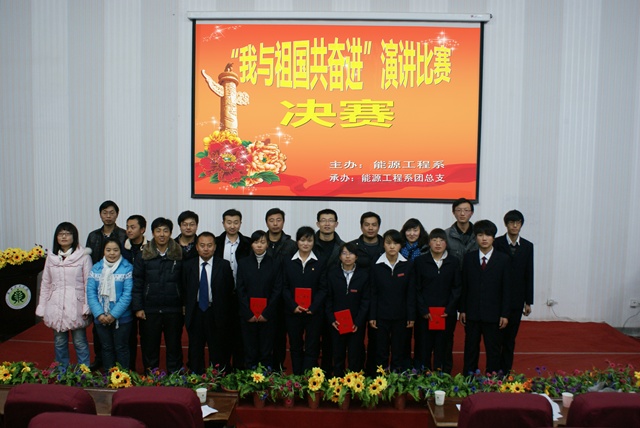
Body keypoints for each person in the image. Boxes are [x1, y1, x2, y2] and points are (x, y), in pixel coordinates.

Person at [132, 217, 184, 373]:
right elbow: (137, 282)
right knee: (149, 346)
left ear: (171, 233)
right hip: (150, 309)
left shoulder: (179, 254)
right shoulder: (143, 255)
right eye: (158, 231)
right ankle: (151, 377)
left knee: (174, 345)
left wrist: (184, 305)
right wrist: (138, 307)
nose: (162, 234)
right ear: (153, 233)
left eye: (165, 231)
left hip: (173, 309)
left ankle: (175, 377)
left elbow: (185, 282)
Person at [36, 222, 92, 366]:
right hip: (55, 305)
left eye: (67, 233)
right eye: (61, 234)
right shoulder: (51, 257)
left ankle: (84, 371)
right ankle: (62, 371)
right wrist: (42, 306)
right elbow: (46, 284)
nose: (64, 237)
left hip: (76, 306)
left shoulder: (84, 256)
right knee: (59, 341)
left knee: (79, 341)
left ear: (74, 236)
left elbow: (89, 284)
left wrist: (87, 306)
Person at [459, 220, 511, 375]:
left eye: (488, 235)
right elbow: (464, 286)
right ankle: (468, 378)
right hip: (472, 313)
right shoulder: (469, 258)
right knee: (470, 347)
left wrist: (505, 313)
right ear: (475, 237)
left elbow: (507, 289)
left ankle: (492, 379)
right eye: (480, 235)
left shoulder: (503, 259)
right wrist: (462, 309)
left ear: (493, 238)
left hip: (494, 313)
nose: (484, 238)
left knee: (493, 348)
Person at [182, 232, 235, 374]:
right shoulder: (188, 265)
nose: (206, 249)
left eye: (209, 245)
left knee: (217, 348)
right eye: (202, 245)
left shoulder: (223, 265)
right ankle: (196, 377)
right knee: (195, 348)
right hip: (196, 312)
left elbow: (229, 289)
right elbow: (184, 288)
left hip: (216, 312)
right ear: (197, 247)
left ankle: (216, 378)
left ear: (215, 247)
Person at [86, 200, 127, 371]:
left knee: (122, 335)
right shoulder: (93, 236)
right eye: (105, 213)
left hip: (119, 283)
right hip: (99, 284)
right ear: (100, 215)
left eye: (111, 212)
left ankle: (123, 366)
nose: (108, 216)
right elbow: (88, 262)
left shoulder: (123, 235)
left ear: (117, 214)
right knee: (99, 330)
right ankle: (100, 360)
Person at [413, 228, 461, 372]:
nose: (438, 243)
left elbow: (457, 287)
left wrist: (449, 309)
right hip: (425, 314)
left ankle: (443, 376)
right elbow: (416, 288)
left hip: (446, 314)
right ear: (429, 243)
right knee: (423, 346)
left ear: (446, 243)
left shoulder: (453, 262)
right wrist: (423, 310)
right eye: (434, 240)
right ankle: (423, 375)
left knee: (445, 346)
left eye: (441, 240)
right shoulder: (420, 261)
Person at [282, 226, 327, 375]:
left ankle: (309, 378)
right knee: (295, 346)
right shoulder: (288, 261)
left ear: (314, 242)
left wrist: (313, 307)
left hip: (313, 313)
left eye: (309, 240)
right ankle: (297, 377)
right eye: (302, 240)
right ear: (297, 242)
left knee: (312, 346)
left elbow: (323, 288)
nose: (305, 244)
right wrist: (293, 306)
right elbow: (284, 287)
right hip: (293, 312)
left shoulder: (320, 262)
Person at [369, 229, 416, 371]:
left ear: (400, 245)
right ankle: (380, 379)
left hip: (401, 316)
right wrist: (372, 316)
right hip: (381, 315)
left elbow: (411, 292)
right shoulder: (376, 265)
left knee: (399, 350)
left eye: (395, 243)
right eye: (388, 243)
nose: (392, 246)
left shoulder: (408, 265)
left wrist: (411, 316)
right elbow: (373, 292)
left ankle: (397, 378)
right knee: (381, 350)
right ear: (383, 244)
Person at [494, 210, 534, 374]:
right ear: (506, 224)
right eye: (511, 222)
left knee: (510, 338)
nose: (515, 225)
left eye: (518, 222)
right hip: (497, 298)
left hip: (517, 299)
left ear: (521, 224)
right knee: (496, 338)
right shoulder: (496, 243)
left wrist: (528, 301)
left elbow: (529, 274)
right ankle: (493, 370)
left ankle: (506, 371)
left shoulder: (527, 246)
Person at [236, 230, 282, 368]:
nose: (259, 245)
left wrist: (266, 313)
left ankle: (265, 376)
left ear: (267, 244)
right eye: (256, 242)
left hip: (268, 315)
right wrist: (248, 312)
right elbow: (240, 289)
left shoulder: (275, 263)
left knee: (266, 350)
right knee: (249, 349)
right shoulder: (243, 263)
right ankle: (250, 376)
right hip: (248, 315)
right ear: (251, 244)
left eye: (262, 242)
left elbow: (277, 290)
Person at [87, 237, 133, 370]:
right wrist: (99, 314)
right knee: (106, 347)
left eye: (115, 250)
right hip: (100, 317)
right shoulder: (96, 268)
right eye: (108, 250)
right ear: (103, 251)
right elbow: (91, 293)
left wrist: (113, 315)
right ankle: (108, 376)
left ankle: (123, 377)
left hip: (122, 318)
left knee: (121, 347)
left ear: (120, 251)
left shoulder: (127, 268)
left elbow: (127, 294)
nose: (112, 253)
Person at [444, 198, 478, 374]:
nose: (462, 213)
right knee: (446, 333)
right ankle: (445, 369)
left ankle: (469, 372)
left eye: (466, 210)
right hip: (450, 289)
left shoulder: (479, 235)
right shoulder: (445, 235)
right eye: (459, 210)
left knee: (472, 334)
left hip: (473, 290)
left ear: (472, 212)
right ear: (453, 212)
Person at [325, 242, 369, 376]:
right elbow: (328, 299)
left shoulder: (364, 275)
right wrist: (332, 319)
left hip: (356, 323)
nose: (348, 256)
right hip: (337, 322)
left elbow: (365, 301)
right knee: (337, 355)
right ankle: (338, 382)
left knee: (355, 355)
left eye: (351, 253)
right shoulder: (332, 274)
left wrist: (358, 322)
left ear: (356, 257)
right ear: (339, 256)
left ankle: (354, 383)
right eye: (344, 253)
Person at [214, 208, 251, 370]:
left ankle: (239, 369)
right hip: (221, 296)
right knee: (222, 334)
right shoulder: (216, 243)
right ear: (223, 223)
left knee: (241, 335)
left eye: (236, 222)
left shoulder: (248, 243)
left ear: (240, 223)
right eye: (229, 222)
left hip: (242, 296)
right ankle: (223, 370)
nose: (232, 226)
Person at [349, 212, 384, 375]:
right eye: (367, 224)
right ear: (361, 226)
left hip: (380, 299)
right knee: (356, 338)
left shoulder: (386, 245)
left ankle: (373, 374)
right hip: (357, 299)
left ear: (379, 226)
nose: (370, 228)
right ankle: (357, 374)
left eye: (374, 225)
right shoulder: (352, 247)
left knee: (377, 340)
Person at [264, 207, 297, 369]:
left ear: (283, 222)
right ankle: (262, 368)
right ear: (266, 223)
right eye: (271, 220)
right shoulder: (260, 242)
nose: (275, 224)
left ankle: (278, 368)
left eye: (278, 220)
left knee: (280, 335)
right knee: (263, 333)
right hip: (263, 295)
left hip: (284, 297)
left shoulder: (291, 245)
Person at [313, 208, 345, 373]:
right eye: (323, 220)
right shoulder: (309, 244)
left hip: (334, 300)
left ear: (336, 224)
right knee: (312, 341)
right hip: (312, 300)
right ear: (317, 223)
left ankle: (328, 375)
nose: (327, 224)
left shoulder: (343, 247)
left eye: (330, 220)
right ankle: (311, 376)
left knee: (332, 341)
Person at [122, 214, 147, 370]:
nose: (129, 230)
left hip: (144, 297)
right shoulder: (121, 248)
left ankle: (148, 371)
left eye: (133, 227)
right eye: (127, 227)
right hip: (125, 298)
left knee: (146, 337)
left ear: (142, 229)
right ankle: (129, 369)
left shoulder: (150, 248)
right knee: (128, 337)